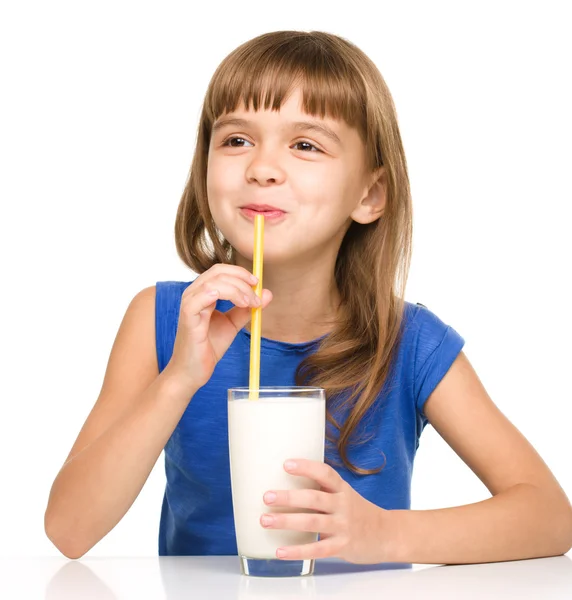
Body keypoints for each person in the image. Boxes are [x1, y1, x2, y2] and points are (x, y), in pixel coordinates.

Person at [44, 30, 572, 565]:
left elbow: (549, 517)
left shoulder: (409, 345)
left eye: (305, 145)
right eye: (236, 140)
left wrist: (385, 535)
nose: (262, 168)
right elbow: (70, 529)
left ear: (369, 195)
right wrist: (179, 379)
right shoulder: (162, 321)